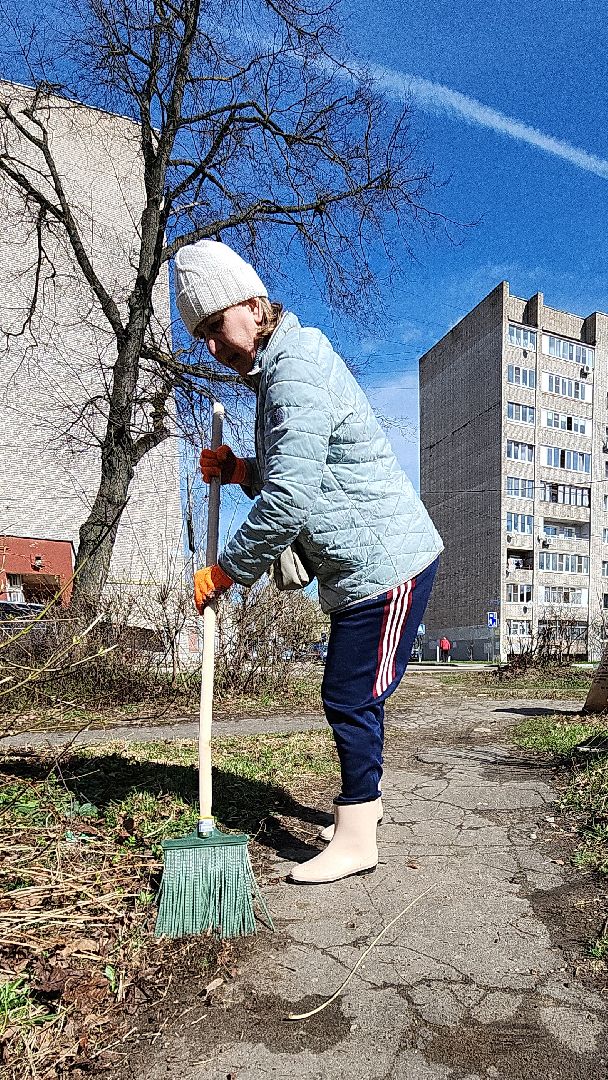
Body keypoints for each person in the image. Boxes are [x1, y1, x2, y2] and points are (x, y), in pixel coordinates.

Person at [174, 239, 443, 885]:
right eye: (200, 337)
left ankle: (357, 838)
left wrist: (227, 571)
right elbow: (305, 470)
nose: (213, 347)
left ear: (252, 303)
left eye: (216, 326)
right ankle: (361, 815)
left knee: (350, 694)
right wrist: (242, 470)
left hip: (386, 560)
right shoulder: (279, 370)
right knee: (354, 696)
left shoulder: (293, 365)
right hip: (360, 567)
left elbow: (293, 494)